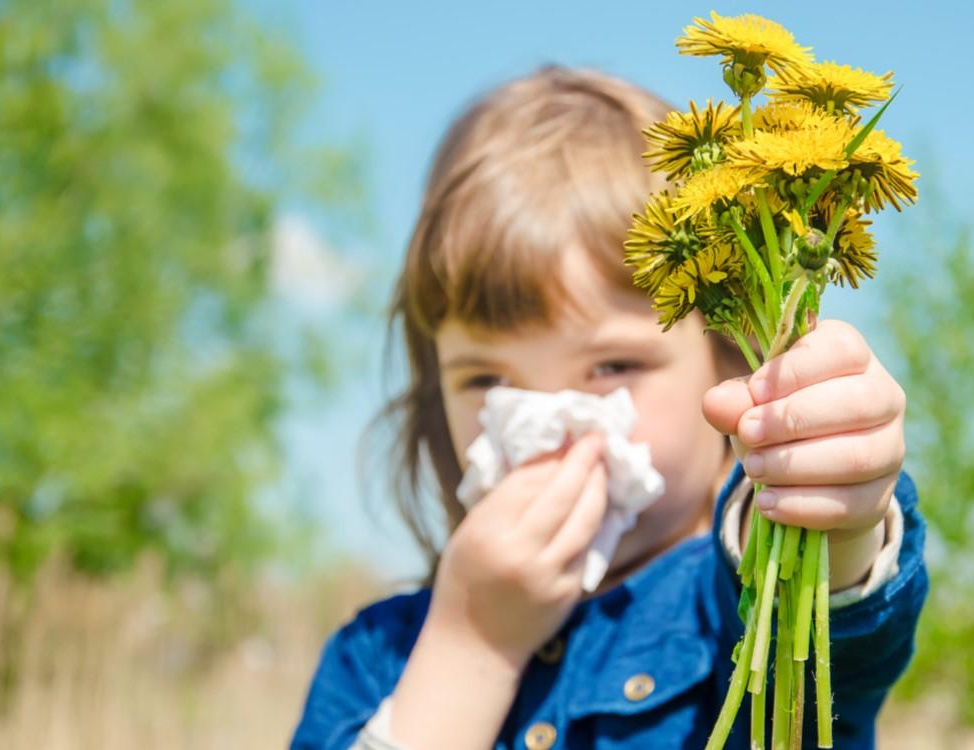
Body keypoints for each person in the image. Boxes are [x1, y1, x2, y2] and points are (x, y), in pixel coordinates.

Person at [290, 64, 927, 750]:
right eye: (484, 380)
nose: (547, 423)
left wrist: (828, 505)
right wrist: (470, 644)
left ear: (730, 364)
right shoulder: (375, 661)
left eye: (613, 366)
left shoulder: (726, 611)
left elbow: (829, 644)